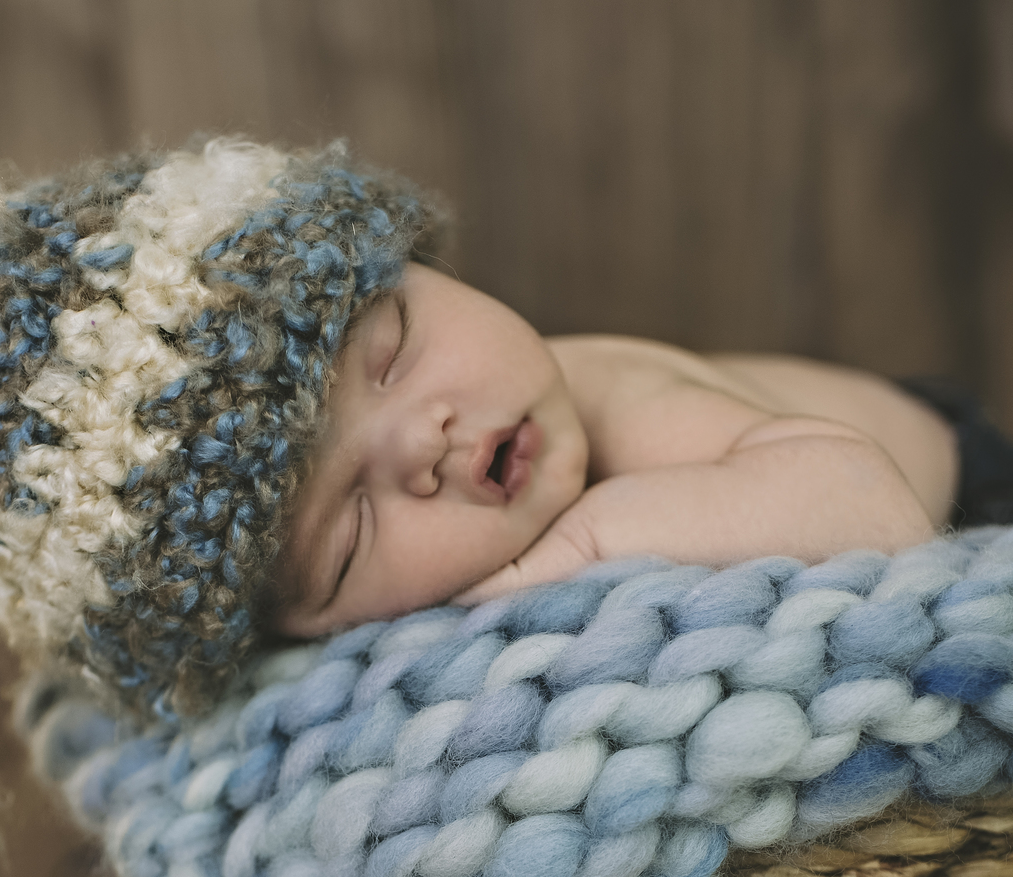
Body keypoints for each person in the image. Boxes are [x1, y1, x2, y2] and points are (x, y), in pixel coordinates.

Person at [271, 257, 1013, 639]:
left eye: (394, 346)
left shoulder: (622, 408)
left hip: (964, 486)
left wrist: (593, 541)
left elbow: (872, 510)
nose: (422, 441)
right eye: (352, 532)